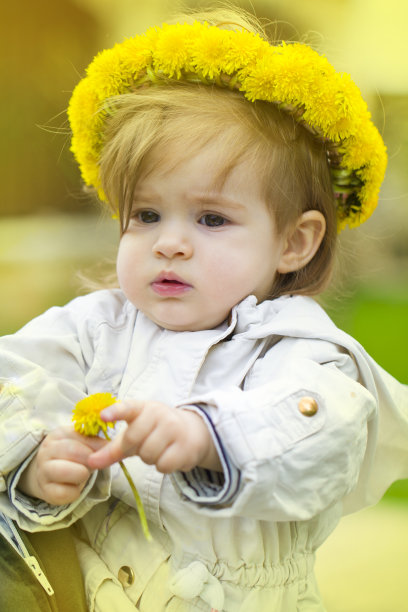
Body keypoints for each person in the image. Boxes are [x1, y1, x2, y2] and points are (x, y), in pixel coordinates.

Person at [0, 6, 407, 612]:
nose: (170, 241)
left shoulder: (297, 349)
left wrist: (206, 435)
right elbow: (14, 380)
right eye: (146, 215)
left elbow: (326, 432)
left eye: (212, 218)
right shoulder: (94, 327)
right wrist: (34, 465)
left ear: (294, 242)